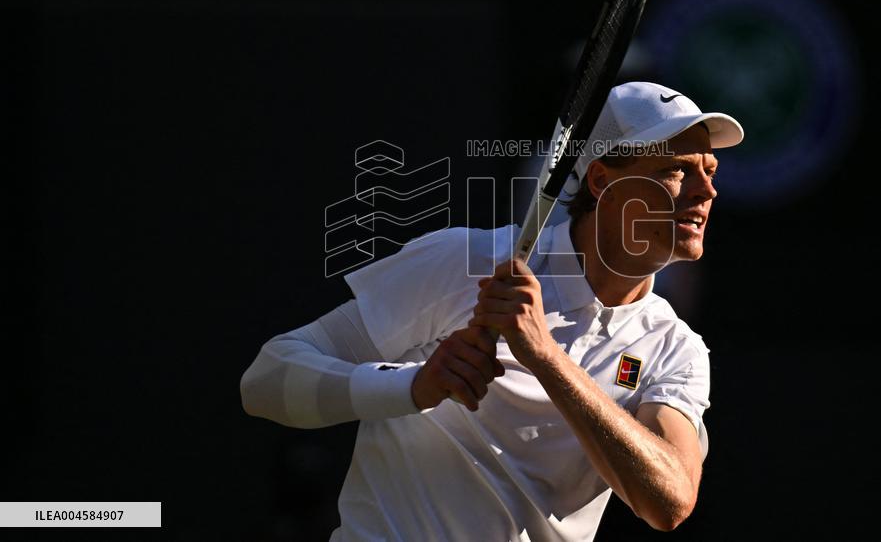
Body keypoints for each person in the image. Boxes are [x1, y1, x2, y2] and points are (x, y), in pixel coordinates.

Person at [240, 81, 744, 541]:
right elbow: (265, 380)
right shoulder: (465, 263)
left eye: (710, 171)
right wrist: (412, 387)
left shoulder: (675, 349)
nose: (706, 191)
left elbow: (671, 501)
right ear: (600, 182)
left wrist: (545, 356)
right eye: (675, 170)